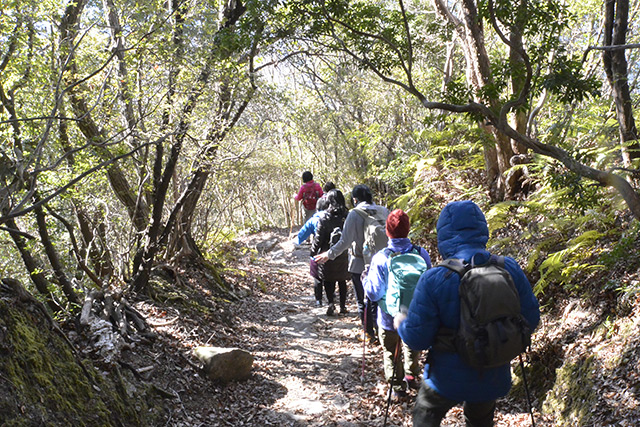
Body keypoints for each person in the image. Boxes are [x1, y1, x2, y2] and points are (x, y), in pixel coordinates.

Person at [396, 200, 540, 427]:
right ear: (482, 228)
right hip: (492, 374)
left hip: (445, 379)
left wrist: (401, 322)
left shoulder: (435, 278)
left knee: (425, 414)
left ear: (443, 234)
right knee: (480, 419)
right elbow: (531, 319)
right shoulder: (508, 268)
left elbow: (417, 338)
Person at [364, 209, 432, 400]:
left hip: (388, 316)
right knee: (411, 344)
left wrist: (364, 281)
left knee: (390, 350)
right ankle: (411, 374)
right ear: (408, 230)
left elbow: (374, 292)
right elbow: (429, 281)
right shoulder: (421, 253)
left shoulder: (381, 258)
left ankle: (397, 387)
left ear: (387, 231)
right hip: (415, 313)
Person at [314, 184, 389, 342]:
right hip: (384, 261)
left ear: (355, 199)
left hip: (360, 264)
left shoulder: (355, 214)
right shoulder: (384, 210)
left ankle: (368, 334)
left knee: (363, 300)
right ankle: (383, 332)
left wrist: (329, 254)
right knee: (381, 298)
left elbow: (345, 241)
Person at [310, 190, 350, 315]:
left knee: (328, 280)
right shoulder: (347, 215)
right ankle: (343, 306)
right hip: (343, 252)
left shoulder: (324, 217)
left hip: (326, 253)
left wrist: (313, 252)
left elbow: (318, 237)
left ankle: (331, 303)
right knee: (342, 279)